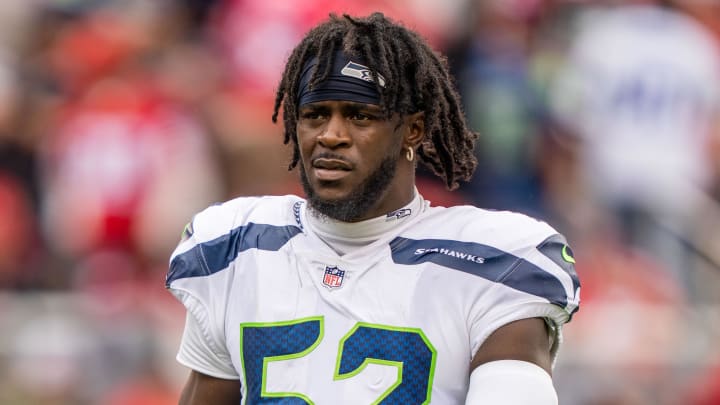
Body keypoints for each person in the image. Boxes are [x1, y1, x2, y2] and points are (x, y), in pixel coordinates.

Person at [166, 12, 580, 404]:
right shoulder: (236, 245)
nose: (331, 135)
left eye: (360, 116)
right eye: (315, 114)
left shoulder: (494, 259)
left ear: (412, 130)